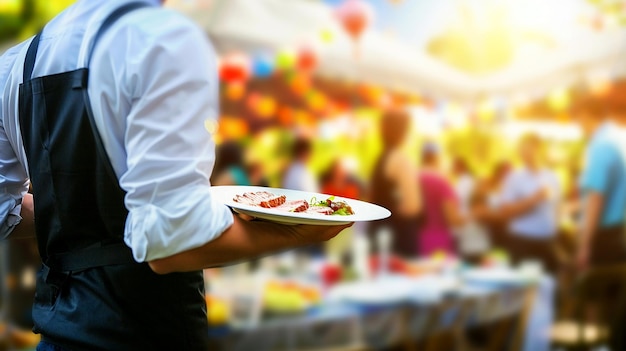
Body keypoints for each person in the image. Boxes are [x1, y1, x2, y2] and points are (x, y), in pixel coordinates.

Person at [0, 1, 350, 350]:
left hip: (58, 332)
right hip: (146, 333)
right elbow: (170, 247)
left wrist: (71, 213)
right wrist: (295, 232)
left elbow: (4, 214)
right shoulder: (164, 41)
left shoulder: (16, 63)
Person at [498, 133, 560, 274]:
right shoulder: (514, 178)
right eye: (522, 148)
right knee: (522, 290)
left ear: (540, 149)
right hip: (523, 242)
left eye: (529, 148)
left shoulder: (553, 176)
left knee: (548, 288)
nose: (525, 152)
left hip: (548, 242)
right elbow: (505, 211)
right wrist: (533, 199)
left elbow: (557, 208)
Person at [575, 104, 626, 270]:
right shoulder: (618, 138)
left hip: (604, 236)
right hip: (618, 232)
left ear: (585, 116)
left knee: (594, 292)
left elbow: (596, 198)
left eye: (577, 120)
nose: (578, 127)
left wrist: (585, 245)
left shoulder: (601, 145)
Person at [369, 109, 421, 258]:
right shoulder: (400, 159)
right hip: (399, 236)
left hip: (379, 232)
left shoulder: (380, 160)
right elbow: (412, 205)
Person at [417, 142, 464, 256]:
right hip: (438, 240)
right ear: (438, 157)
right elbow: (452, 218)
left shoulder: (413, 177)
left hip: (415, 238)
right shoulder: (441, 181)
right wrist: (474, 215)